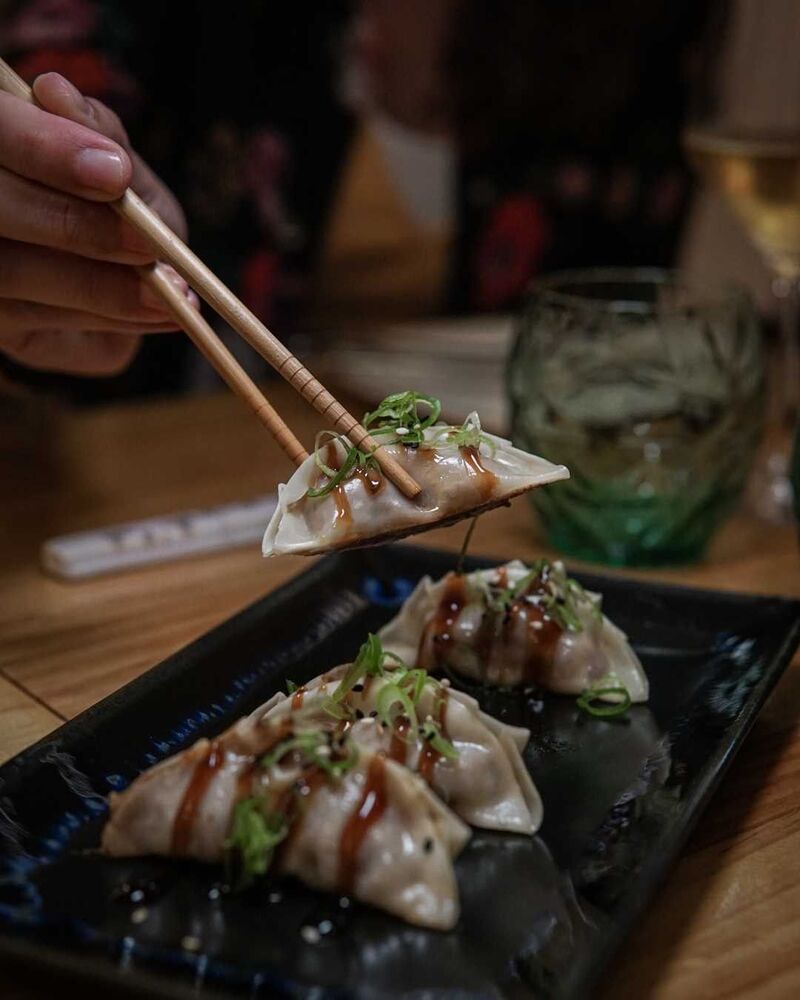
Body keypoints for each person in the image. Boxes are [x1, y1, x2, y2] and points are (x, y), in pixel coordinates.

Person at [0, 0, 719, 394]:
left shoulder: (639, 29)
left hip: (509, 483)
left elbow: (618, 311)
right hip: (142, 477)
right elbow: (55, 104)